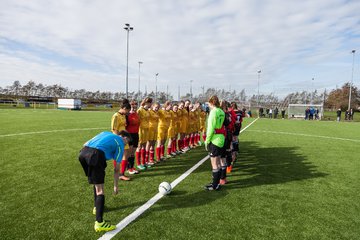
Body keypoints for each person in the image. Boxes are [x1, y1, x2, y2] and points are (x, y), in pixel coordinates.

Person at [78, 130, 131, 232]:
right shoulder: (120, 143)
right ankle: (99, 223)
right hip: (95, 155)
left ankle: (96, 208)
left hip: (83, 153)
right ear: (123, 137)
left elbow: (85, 143)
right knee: (100, 191)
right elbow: (116, 169)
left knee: (96, 183)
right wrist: (116, 186)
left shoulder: (105, 133)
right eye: (127, 141)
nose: (126, 144)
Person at [204, 95, 225, 191]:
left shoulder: (213, 112)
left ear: (212, 103)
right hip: (221, 139)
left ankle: (215, 185)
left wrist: (207, 141)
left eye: (208, 103)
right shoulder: (221, 111)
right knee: (218, 162)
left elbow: (211, 128)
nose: (208, 105)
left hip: (215, 140)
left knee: (215, 164)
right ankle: (216, 183)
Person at [110, 99, 131, 181]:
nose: (127, 113)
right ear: (124, 108)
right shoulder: (116, 116)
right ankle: (118, 174)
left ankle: (121, 173)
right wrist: (119, 139)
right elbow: (114, 129)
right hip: (118, 138)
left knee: (126, 154)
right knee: (118, 156)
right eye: (127, 111)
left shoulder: (123, 115)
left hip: (124, 138)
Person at [136, 97, 152, 170]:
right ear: (146, 103)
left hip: (146, 129)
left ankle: (144, 162)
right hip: (141, 130)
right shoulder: (140, 110)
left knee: (144, 146)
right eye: (149, 103)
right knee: (139, 146)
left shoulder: (148, 110)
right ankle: (139, 164)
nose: (150, 104)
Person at [126, 100, 140, 175]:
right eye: (132, 105)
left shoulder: (136, 114)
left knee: (133, 152)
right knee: (129, 152)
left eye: (135, 105)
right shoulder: (127, 115)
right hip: (130, 134)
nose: (134, 106)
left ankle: (132, 166)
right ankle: (128, 168)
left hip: (136, 134)